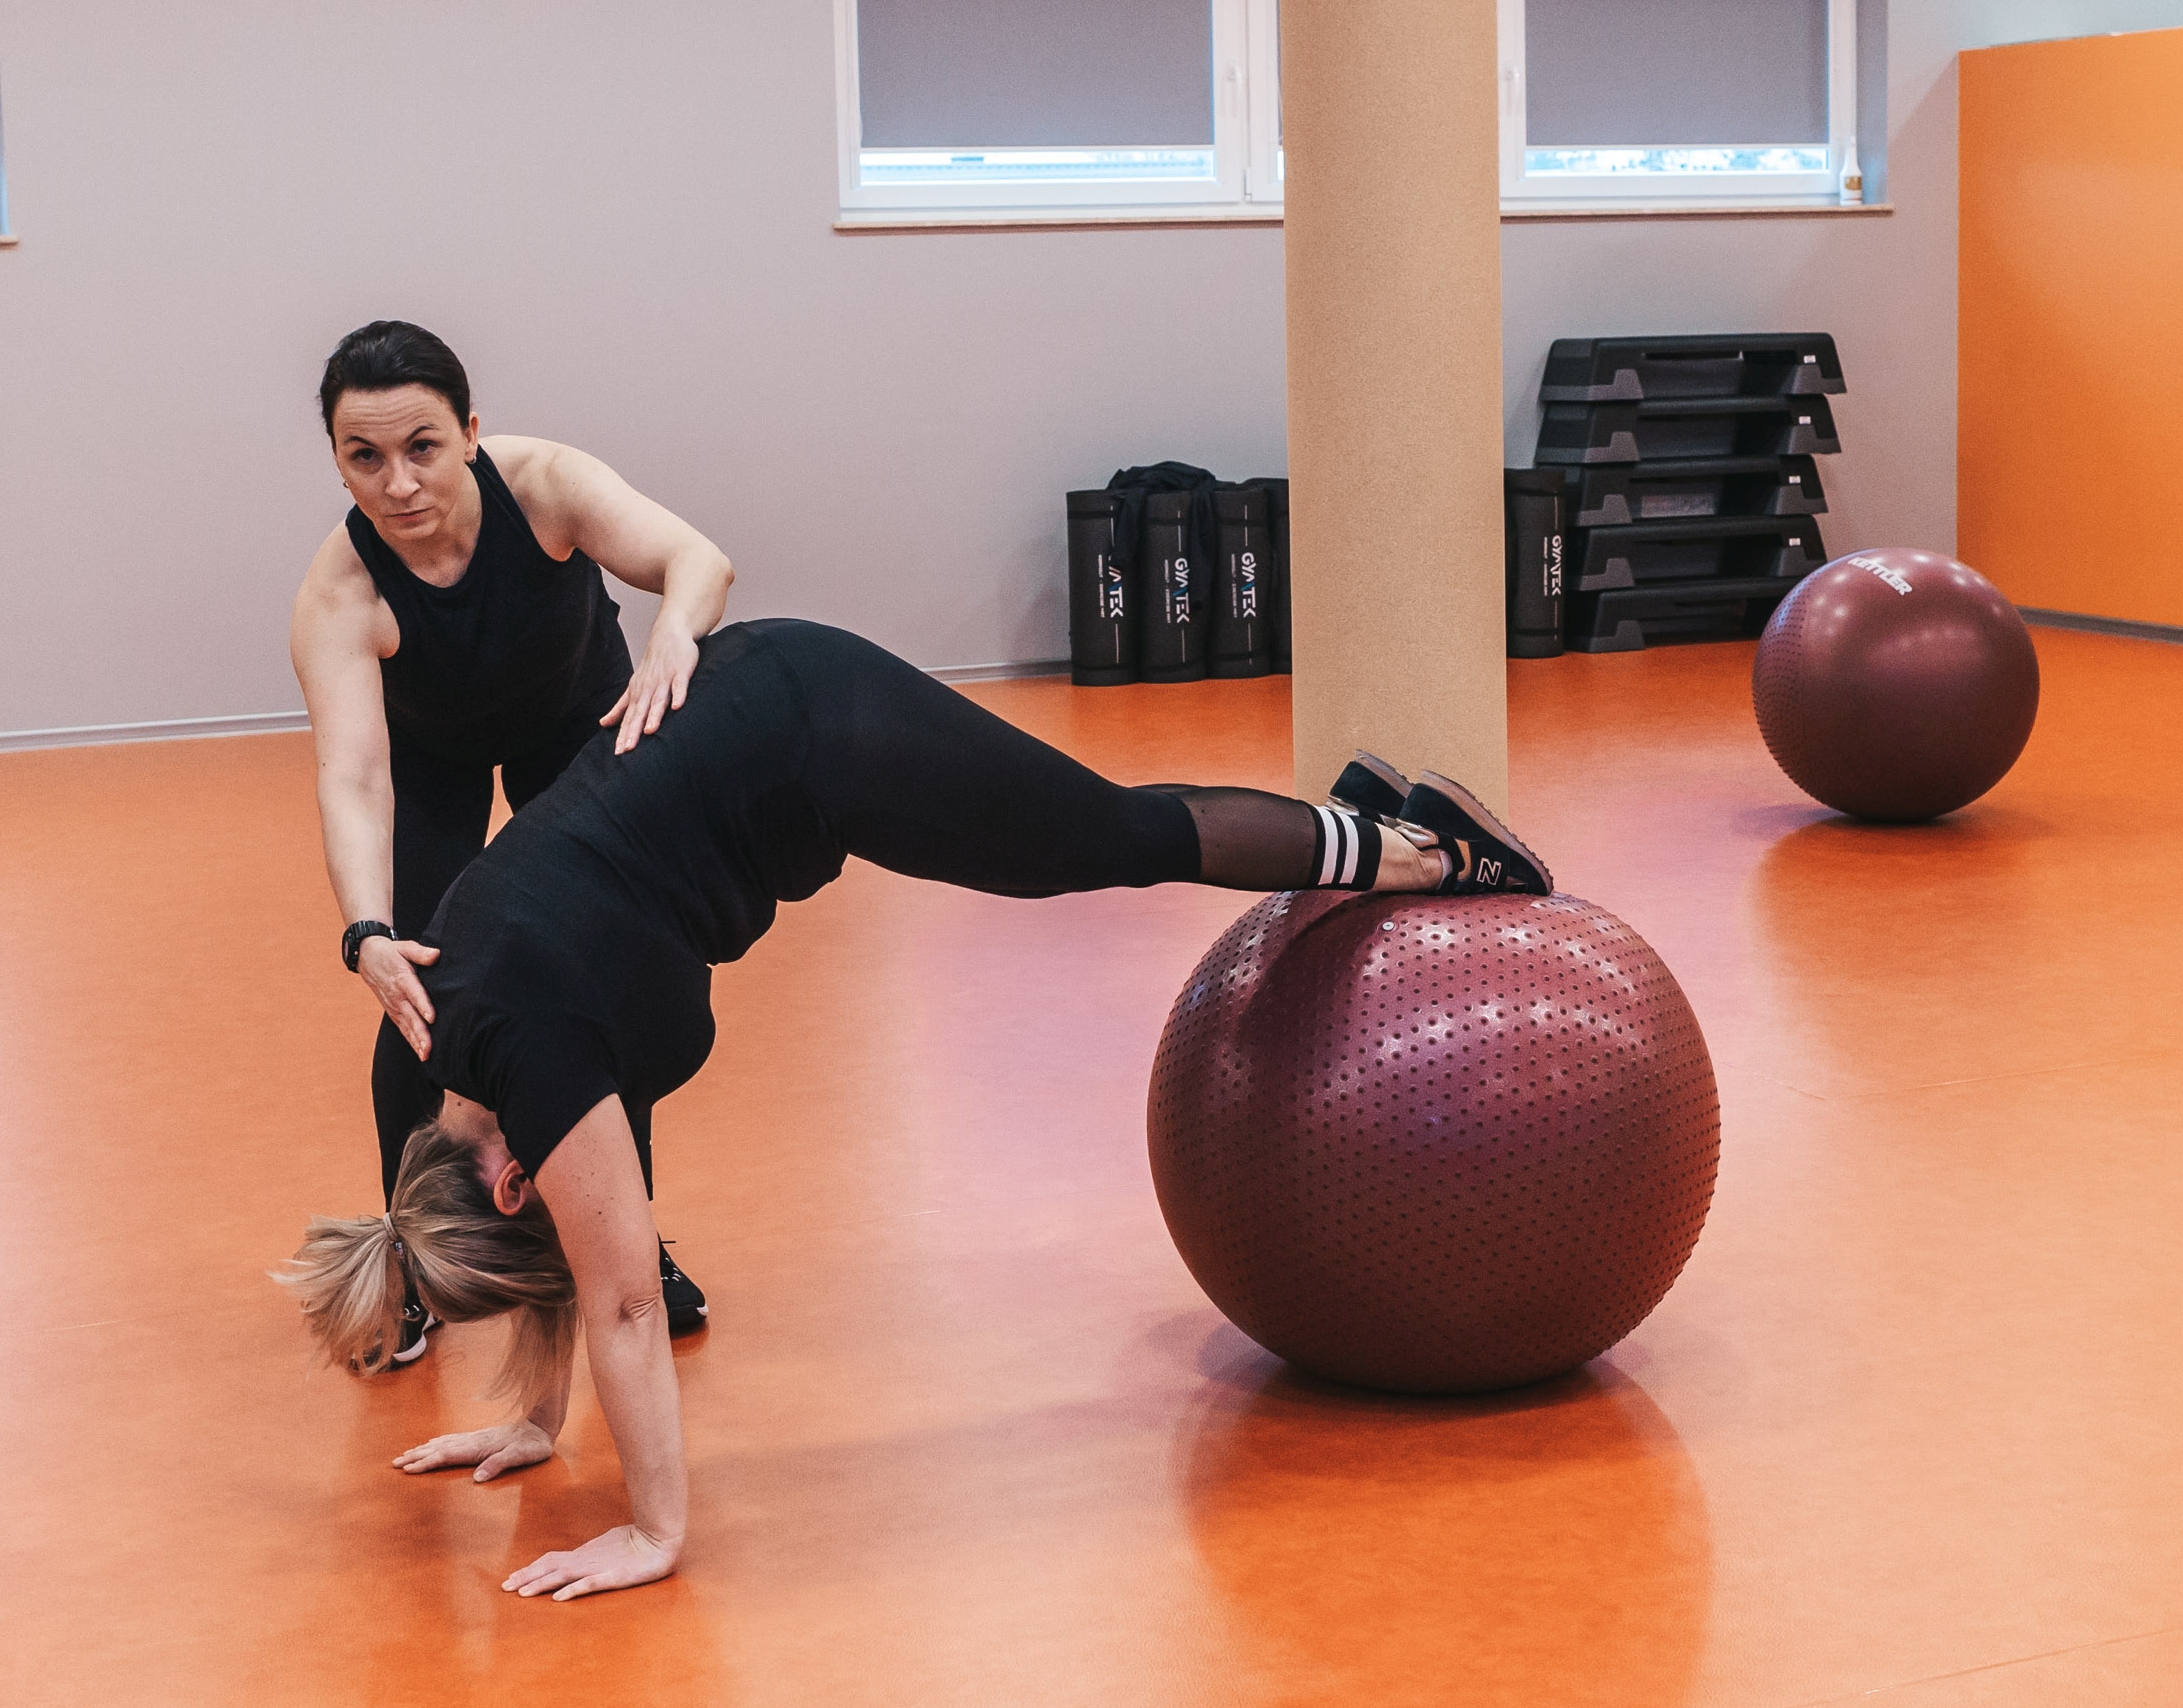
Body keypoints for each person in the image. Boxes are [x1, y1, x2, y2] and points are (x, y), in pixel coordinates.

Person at [274, 617, 1553, 1600]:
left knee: (1101, 837)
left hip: (810, 729)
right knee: (1091, 839)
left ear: (510, 1182)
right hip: (755, 715)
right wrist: (535, 1418)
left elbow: (615, 1293)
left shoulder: (535, 1053)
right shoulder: (456, 1040)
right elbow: (570, 1236)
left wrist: (656, 1531)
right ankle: (1358, 823)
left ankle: (1424, 848)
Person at [289, 321, 729, 1354]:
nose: (399, 482)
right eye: (365, 457)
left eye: (423, 446)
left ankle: (627, 1243)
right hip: (433, 757)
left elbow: (695, 559)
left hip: (575, 722)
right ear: (339, 462)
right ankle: (412, 1258)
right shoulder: (340, 593)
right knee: (419, 990)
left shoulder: (543, 487)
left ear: (471, 432)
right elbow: (353, 776)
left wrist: (672, 634)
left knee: (605, 974)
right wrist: (367, 932)